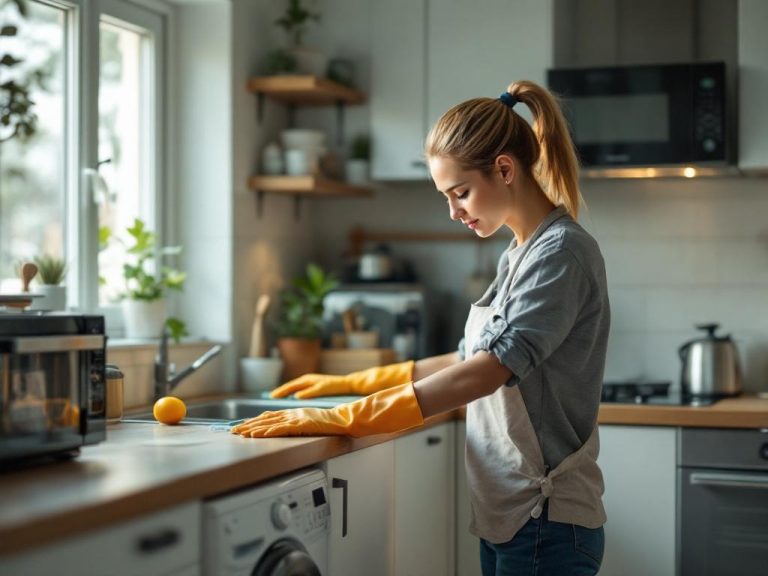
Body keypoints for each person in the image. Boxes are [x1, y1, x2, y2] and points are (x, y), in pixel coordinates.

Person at [232, 79, 610, 576]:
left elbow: (490, 370)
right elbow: (463, 359)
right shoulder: (520, 251)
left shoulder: (560, 253)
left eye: (461, 193)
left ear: (503, 169)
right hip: (509, 515)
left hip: (546, 519)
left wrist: (351, 417)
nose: (454, 212)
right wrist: (348, 384)